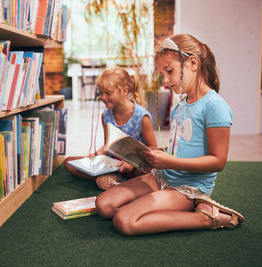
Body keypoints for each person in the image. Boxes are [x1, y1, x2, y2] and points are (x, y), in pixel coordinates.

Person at [95, 34, 244, 235]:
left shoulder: (215, 106)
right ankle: (160, 202)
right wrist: (149, 155)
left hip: (188, 188)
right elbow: (178, 149)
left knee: (125, 220)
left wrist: (169, 162)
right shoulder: (180, 104)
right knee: (104, 205)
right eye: (162, 74)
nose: (165, 80)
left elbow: (218, 161)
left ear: (193, 63)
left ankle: (205, 218)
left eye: (169, 71)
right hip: (161, 176)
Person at [64, 66, 158, 189]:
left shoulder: (142, 116)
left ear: (125, 90)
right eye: (101, 93)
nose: (103, 97)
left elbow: (153, 148)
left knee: (151, 171)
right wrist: (96, 154)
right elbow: (109, 145)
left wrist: (132, 163)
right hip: (113, 163)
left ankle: (113, 180)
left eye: (108, 93)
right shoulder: (106, 115)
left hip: (135, 165)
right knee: (69, 162)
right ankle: (115, 179)